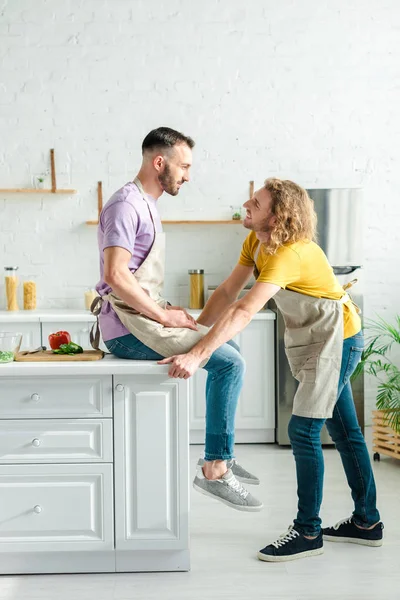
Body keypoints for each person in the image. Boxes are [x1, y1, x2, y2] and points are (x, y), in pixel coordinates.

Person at [159, 178, 383, 561]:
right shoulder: (257, 242)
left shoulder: (290, 253)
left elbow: (246, 310)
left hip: (338, 341)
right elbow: (229, 292)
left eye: (257, 202)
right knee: (344, 431)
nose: (247, 203)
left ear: (277, 216)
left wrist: (198, 356)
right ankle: (367, 522)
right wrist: (193, 332)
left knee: (303, 429)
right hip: (318, 340)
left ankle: (308, 531)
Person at [91, 126, 263, 513]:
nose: (188, 175)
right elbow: (116, 275)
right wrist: (163, 318)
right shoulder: (126, 205)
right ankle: (215, 469)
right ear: (159, 162)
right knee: (230, 364)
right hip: (127, 330)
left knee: (226, 345)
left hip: (142, 320)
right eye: (183, 166)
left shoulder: (146, 203)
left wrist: (168, 315)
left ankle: (223, 455)